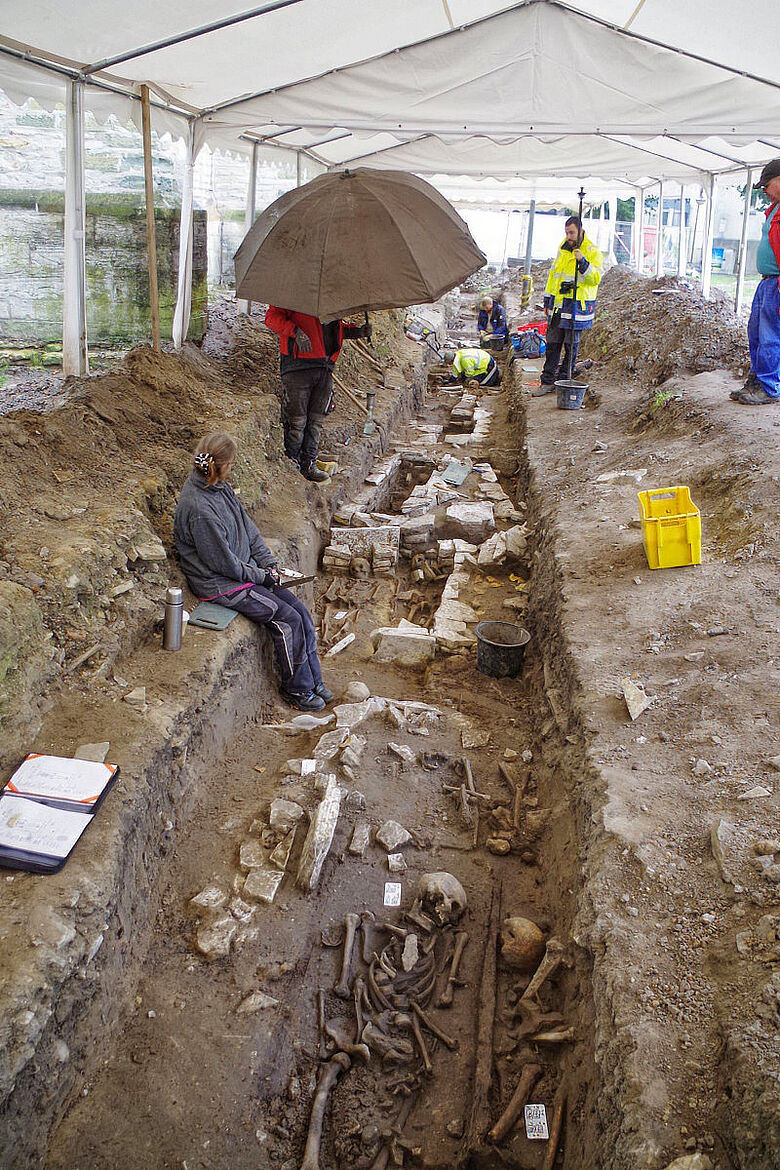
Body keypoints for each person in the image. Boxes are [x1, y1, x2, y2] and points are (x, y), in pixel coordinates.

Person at [174, 433, 332, 713]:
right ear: (220, 466)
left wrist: (268, 562)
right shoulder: (200, 510)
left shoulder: (218, 486)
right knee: (287, 619)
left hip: (243, 571)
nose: (232, 469)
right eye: (232, 464)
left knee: (302, 613)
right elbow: (224, 565)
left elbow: (248, 528)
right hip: (222, 584)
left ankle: (313, 680)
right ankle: (297, 688)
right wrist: (262, 577)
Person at [265, 307, 370, 481]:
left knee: (315, 422)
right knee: (297, 422)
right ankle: (293, 466)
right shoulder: (292, 293)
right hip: (298, 366)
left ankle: (308, 465)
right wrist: (295, 331)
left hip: (324, 366)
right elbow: (271, 318)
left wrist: (357, 332)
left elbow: (333, 328)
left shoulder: (330, 298)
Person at [532, 216, 602, 397]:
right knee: (553, 344)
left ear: (580, 230)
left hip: (577, 306)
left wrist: (583, 262)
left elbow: (595, 279)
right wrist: (548, 301)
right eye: (567, 232)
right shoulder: (563, 249)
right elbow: (554, 276)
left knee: (571, 346)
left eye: (571, 232)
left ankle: (563, 380)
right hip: (559, 305)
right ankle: (547, 381)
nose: (569, 236)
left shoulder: (592, 251)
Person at [730, 159, 780, 406]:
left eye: (767, 185)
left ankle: (770, 387)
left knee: (771, 334)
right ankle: (758, 380)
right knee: (757, 333)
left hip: (778, 283)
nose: (765, 191)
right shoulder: (773, 209)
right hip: (766, 282)